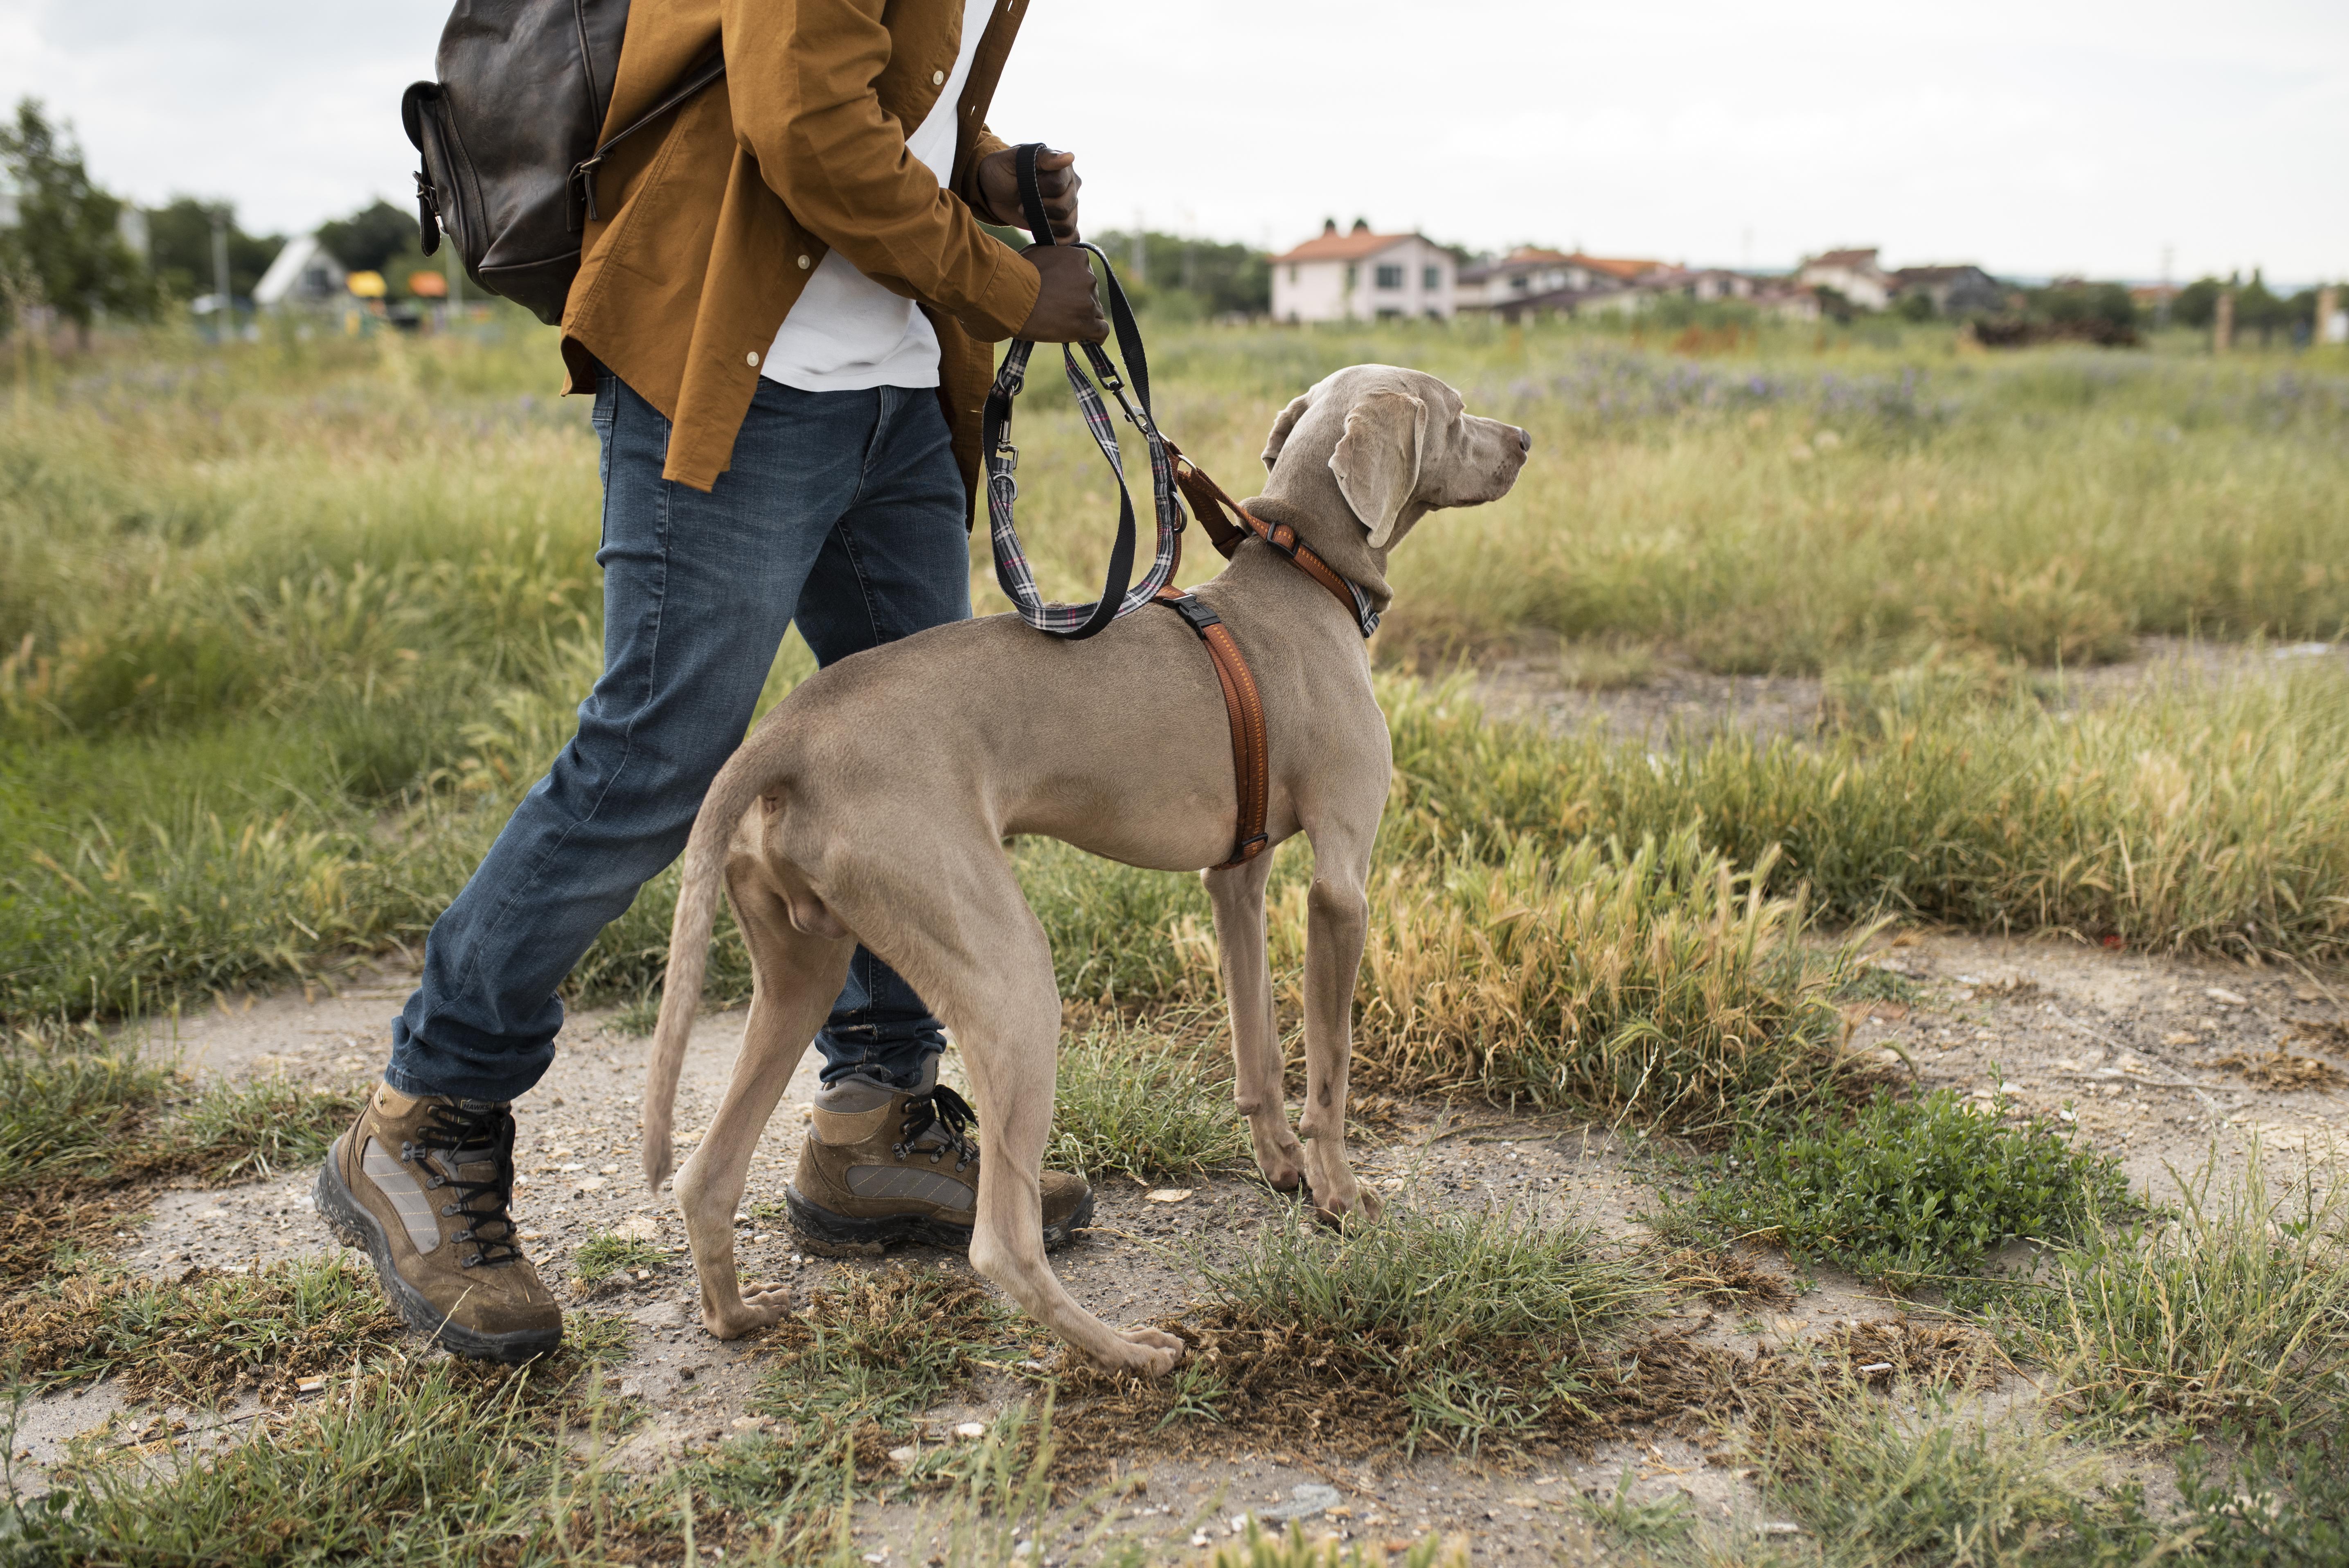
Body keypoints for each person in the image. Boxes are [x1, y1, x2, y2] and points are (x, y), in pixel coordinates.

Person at [314, 0, 1109, 1361]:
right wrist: (1008, 281)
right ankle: (422, 1124)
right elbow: (798, 127)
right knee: (658, 756)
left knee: (912, 770)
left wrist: (967, 163)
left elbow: (860, 95)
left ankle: (874, 1120)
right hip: (742, 378)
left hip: (892, 394)